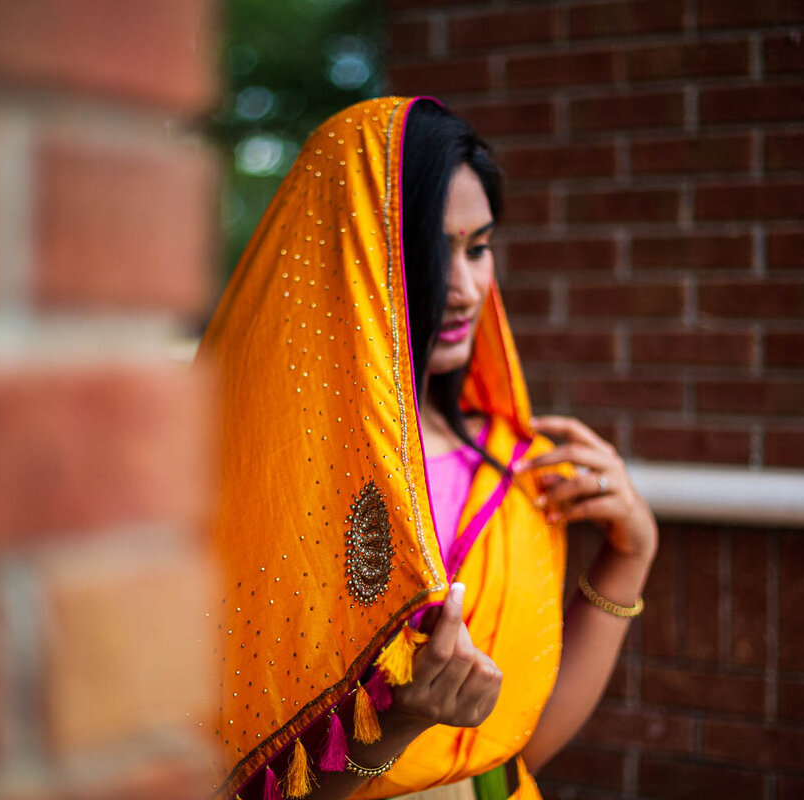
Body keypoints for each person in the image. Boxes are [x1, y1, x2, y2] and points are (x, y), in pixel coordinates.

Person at [199, 97, 657, 800]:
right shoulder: (266, 484)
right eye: (428, 255)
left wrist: (629, 557)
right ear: (345, 266)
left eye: (478, 248)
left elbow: (512, 752)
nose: (465, 290)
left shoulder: (515, 464)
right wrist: (394, 727)